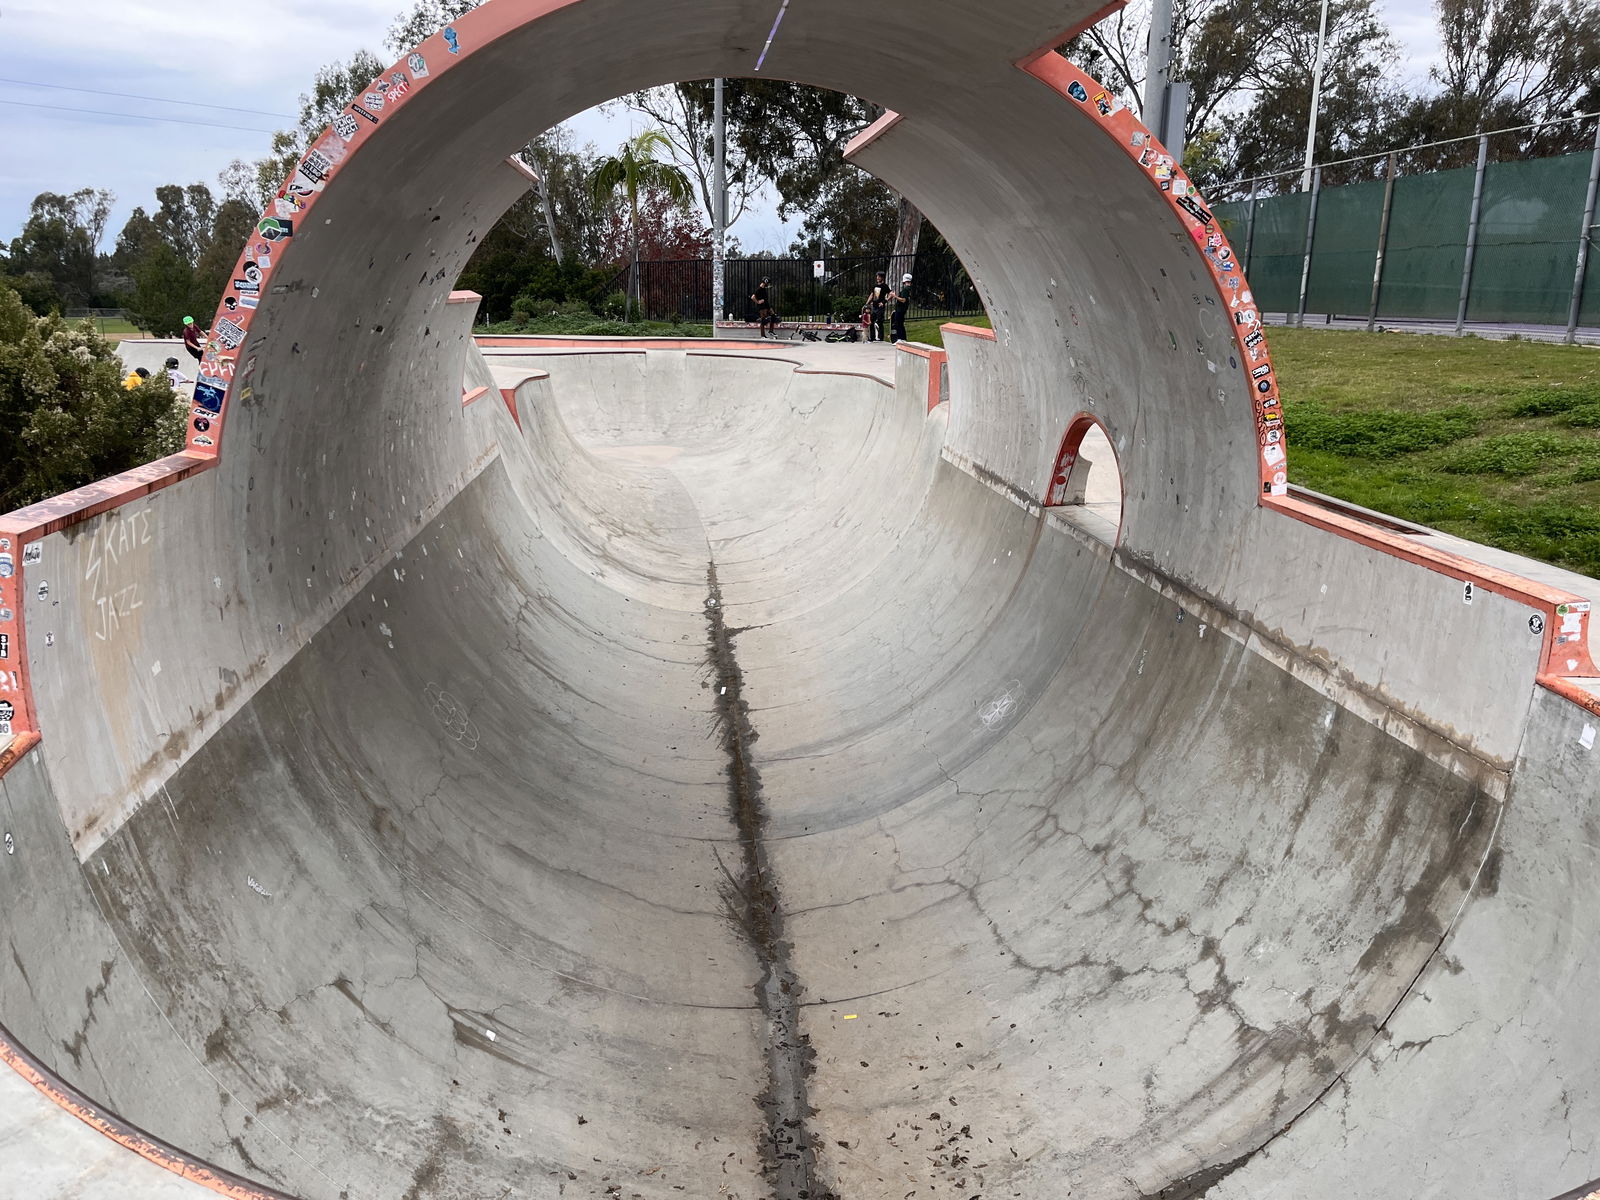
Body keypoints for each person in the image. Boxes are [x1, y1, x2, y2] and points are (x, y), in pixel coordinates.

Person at [866, 272, 891, 342]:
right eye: (877, 276)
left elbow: (891, 294)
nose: (877, 278)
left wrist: (884, 302)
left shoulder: (885, 286)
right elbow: (872, 295)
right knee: (871, 321)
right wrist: (867, 303)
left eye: (879, 277)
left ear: (882, 278)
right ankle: (872, 337)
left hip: (880, 306)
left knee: (880, 321)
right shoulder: (875, 286)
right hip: (874, 305)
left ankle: (880, 337)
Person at [890, 273, 912, 344]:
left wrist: (895, 296)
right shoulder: (909, 289)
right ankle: (903, 338)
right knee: (901, 323)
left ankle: (900, 338)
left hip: (900, 309)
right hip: (903, 309)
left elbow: (903, 300)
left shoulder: (905, 290)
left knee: (898, 323)